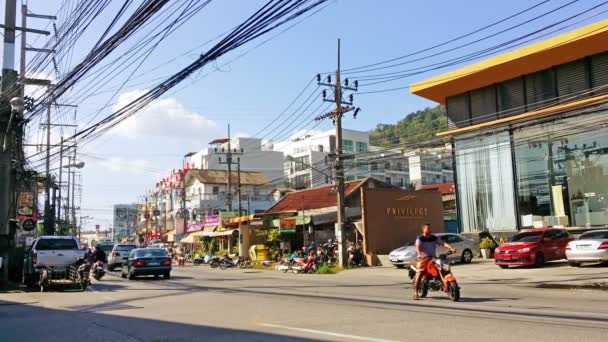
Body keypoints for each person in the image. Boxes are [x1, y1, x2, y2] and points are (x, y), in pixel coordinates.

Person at [412, 224, 456, 300]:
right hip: (423, 259)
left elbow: (443, 243)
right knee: (419, 273)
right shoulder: (420, 238)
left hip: (432, 258)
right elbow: (418, 247)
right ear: (423, 229)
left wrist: (451, 248)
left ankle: (444, 284)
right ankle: (416, 293)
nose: (429, 230)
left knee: (442, 268)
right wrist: (421, 254)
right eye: (427, 228)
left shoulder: (434, 237)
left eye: (430, 228)